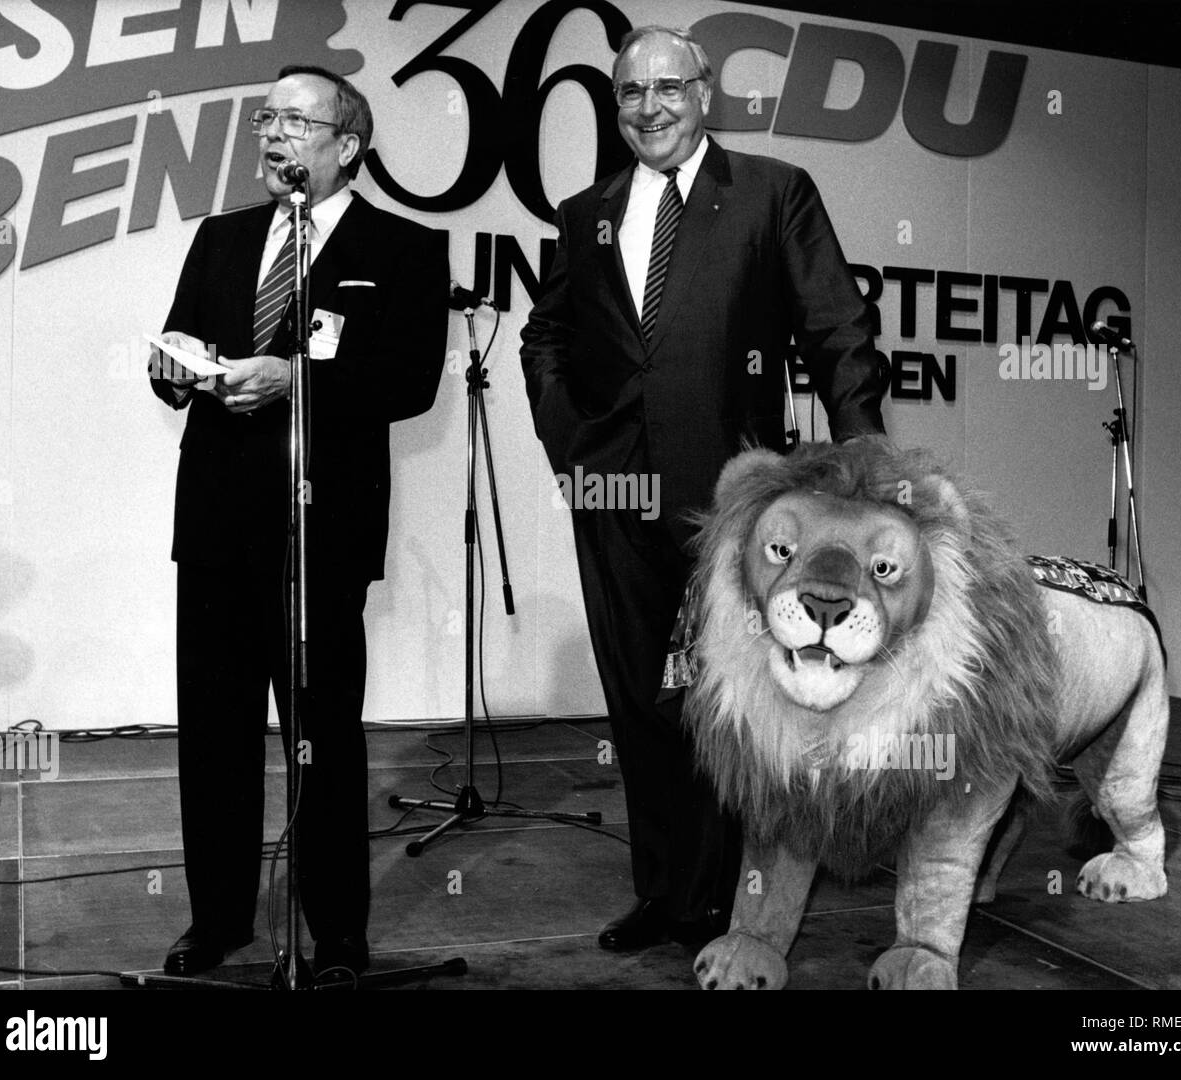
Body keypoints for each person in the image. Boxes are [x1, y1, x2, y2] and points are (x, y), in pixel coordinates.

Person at [520, 26, 889, 951]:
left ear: (705, 91)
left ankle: (738, 902)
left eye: (667, 89)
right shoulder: (584, 212)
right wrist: (570, 439)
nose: (650, 109)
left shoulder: (771, 193)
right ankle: (667, 895)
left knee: (729, 699)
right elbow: (547, 335)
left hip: (736, 496)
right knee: (641, 693)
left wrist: (867, 459)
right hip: (610, 490)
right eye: (630, 94)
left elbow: (837, 328)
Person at [149, 65, 448, 977]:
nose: (272, 135)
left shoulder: (403, 247)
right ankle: (220, 919)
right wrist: (181, 368)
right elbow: (172, 353)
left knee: (322, 734)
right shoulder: (223, 237)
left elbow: (409, 380)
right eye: (264, 120)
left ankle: (339, 932)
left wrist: (296, 380)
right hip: (215, 526)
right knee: (214, 731)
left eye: (293, 120)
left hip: (320, 529)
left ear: (345, 145)